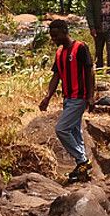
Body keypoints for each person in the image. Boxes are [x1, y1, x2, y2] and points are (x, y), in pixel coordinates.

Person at [38, 19, 96, 183]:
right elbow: (56, 76)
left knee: (61, 129)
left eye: (56, 35)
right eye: (51, 36)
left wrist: (91, 96)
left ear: (65, 31)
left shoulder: (80, 47)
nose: (53, 39)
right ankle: (82, 168)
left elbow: (90, 71)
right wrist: (48, 97)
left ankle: (83, 160)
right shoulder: (59, 53)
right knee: (75, 131)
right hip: (67, 98)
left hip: (80, 97)